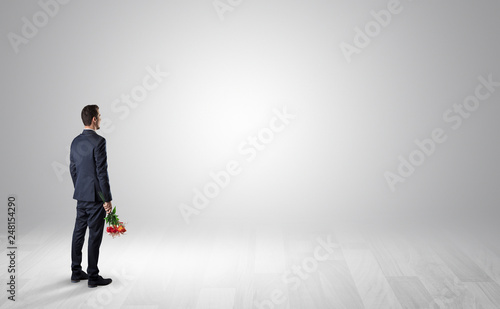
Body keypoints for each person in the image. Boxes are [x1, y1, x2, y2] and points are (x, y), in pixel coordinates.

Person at [69, 105, 113, 287]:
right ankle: (93, 276)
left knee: (79, 232)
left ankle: (76, 271)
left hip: (81, 196)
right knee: (94, 236)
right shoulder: (99, 141)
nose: (101, 118)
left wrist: (79, 188)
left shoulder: (75, 142)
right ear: (94, 119)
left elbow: (73, 169)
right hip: (96, 197)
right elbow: (101, 173)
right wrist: (107, 199)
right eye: (100, 116)